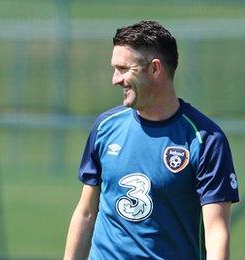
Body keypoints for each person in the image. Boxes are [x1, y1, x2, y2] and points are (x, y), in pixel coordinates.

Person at [63, 21, 239, 259]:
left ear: (155, 69)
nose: (115, 79)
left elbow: (216, 231)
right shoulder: (105, 127)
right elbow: (86, 213)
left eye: (124, 68)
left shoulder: (205, 140)